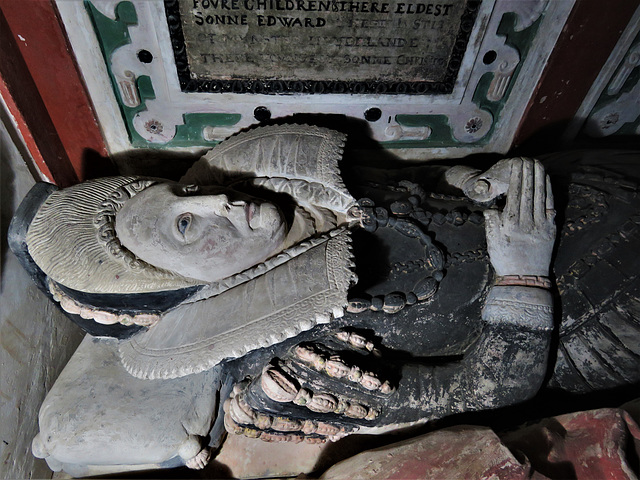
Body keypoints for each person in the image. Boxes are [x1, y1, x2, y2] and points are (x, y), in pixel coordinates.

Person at [10, 125, 640, 475]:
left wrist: (473, 181)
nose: (216, 202)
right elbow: (486, 390)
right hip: (589, 319)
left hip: (583, 189)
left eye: (179, 192)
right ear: (184, 290)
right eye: (185, 228)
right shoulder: (287, 371)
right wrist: (522, 275)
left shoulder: (288, 183)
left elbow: (417, 184)